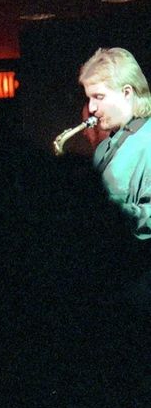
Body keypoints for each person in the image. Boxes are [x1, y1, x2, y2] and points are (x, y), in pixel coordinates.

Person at [79, 47, 151, 306]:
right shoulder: (106, 145)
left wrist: (105, 212)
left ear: (127, 93)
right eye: (89, 98)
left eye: (98, 96)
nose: (92, 108)